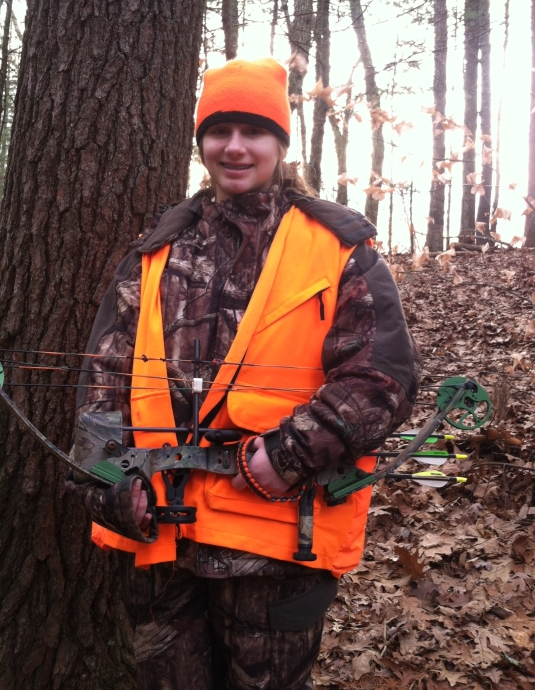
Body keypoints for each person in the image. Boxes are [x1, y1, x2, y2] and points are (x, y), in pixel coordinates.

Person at [67, 57, 421, 690]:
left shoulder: (337, 246)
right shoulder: (158, 251)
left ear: (281, 144)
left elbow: (382, 380)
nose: (234, 147)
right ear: (201, 141)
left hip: (280, 544)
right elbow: (103, 386)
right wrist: (109, 485)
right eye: (219, 130)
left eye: (253, 131)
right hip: (163, 544)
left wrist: (289, 451)